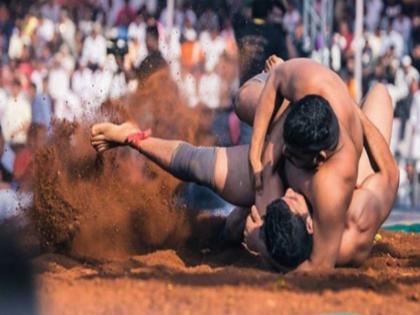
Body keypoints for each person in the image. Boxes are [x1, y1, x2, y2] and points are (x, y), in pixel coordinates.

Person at [90, 80, 398, 270]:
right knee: (380, 95)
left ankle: (134, 137)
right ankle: (285, 93)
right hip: (298, 148)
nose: (292, 194)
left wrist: (261, 242)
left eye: (287, 200)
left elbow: (193, 162)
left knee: (222, 197)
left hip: (287, 162)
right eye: (293, 198)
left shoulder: (275, 205)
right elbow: (389, 174)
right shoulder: (352, 207)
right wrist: (351, 112)